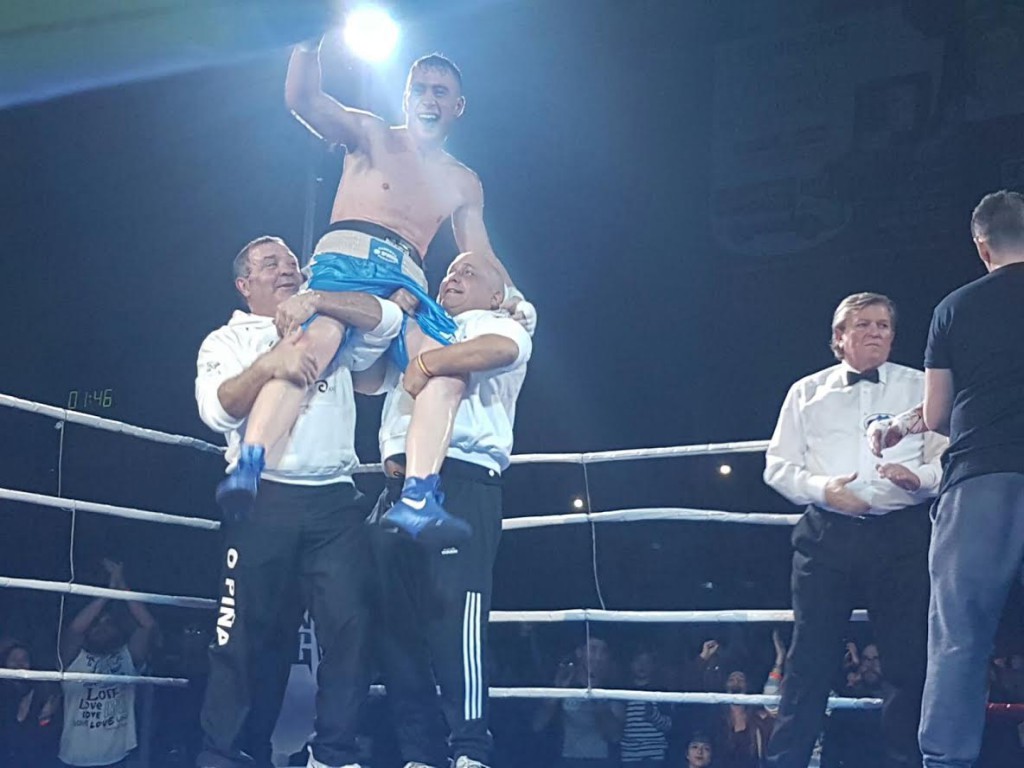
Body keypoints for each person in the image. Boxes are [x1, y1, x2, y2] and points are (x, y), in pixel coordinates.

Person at [216, 41, 536, 550]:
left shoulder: (463, 181)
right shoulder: (372, 134)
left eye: (440, 91)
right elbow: (304, 100)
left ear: (458, 106)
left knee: (444, 369)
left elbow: (480, 253)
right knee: (310, 349)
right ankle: (250, 466)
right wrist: (307, 41)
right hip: (347, 263)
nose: (428, 99)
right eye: (419, 90)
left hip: (407, 286)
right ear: (406, 97)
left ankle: (418, 497)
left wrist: (514, 296)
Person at [195, 236, 403, 768]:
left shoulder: (328, 323)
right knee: (242, 637)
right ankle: (229, 753)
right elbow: (219, 412)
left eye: (292, 261)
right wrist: (272, 363)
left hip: (335, 502)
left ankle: (333, 754)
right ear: (245, 285)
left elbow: (385, 321)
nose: (287, 268)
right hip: (263, 499)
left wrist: (320, 301)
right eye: (271, 263)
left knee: (352, 628)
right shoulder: (225, 340)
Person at [355, 251, 531, 768]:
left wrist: (426, 363)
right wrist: (393, 315)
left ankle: (470, 749)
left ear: (497, 294)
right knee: (395, 627)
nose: (452, 277)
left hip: (463, 481)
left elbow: (498, 350)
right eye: (448, 272)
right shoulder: (423, 328)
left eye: (467, 273)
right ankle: (419, 753)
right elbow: (366, 381)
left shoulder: (498, 323)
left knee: (458, 619)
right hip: (396, 487)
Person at [870, 190, 1024, 768]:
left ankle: (945, 762)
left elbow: (936, 415)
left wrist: (896, 425)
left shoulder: (955, 307)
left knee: (959, 635)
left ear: (982, 246)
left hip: (981, 478)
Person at [762, 292, 946, 768]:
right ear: (838, 338)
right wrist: (824, 489)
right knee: (809, 662)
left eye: (884, 325)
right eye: (863, 324)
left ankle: (909, 763)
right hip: (827, 534)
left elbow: (948, 458)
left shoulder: (922, 386)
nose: (876, 332)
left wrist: (920, 479)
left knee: (907, 663)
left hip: (901, 535)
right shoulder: (806, 392)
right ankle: (785, 762)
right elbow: (778, 467)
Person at [58, 559, 157, 768]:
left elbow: (148, 625)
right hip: (76, 759)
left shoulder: (127, 657)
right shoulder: (74, 658)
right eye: (97, 624)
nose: (102, 628)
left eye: (108, 623)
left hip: (119, 758)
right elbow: (74, 630)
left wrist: (121, 585)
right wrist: (106, 594)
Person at [0, 642, 61, 767]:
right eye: (13, 660)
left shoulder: (41, 690)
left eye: (24, 659)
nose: (19, 664)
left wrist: (45, 718)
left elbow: (45, 731)